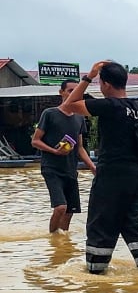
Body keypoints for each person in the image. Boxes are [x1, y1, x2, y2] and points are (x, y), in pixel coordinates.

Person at [60, 61, 138, 274]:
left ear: (105, 84)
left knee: (101, 222)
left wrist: (87, 78)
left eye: (99, 82)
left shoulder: (109, 106)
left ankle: (96, 277)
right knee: (133, 221)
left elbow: (68, 105)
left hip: (112, 175)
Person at [31, 79, 96, 233]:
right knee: (61, 207)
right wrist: (54, 151)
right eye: (70, 91)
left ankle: (62, 243)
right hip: (52, 168)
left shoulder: (79, 117)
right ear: (61, 93)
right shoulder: (50, 114)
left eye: (76, 91)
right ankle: (53, 238)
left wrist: (92, 167)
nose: (73, 94)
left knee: (69, 211)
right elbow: (35, 141)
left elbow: (80, 147)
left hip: (70, 169)